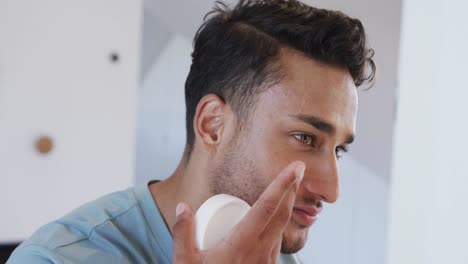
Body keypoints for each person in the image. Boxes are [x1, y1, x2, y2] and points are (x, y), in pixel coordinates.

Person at [8, 0, 375, 263]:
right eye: (306, 138)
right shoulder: (57, 258)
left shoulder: (267, 252)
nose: (331, 191)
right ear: (212, 124)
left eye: (338, 149)